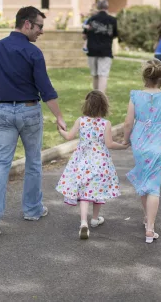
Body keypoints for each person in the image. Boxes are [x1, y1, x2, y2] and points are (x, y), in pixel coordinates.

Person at [0, 6, 67, 236]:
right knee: (33, 161)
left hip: (4, 111)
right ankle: (32, 209)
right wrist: (58, 116)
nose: (41, 32)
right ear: (26, 24)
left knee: (0, 163)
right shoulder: (33, 53)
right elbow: (45, 89)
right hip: (29, 111)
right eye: (39, 27)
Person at [55, 90, 128, 239]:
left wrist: (61, 130)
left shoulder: (81, 121)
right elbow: (109, 144)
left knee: (84, 194)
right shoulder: (105, 124)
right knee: (97, 190)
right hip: (100, 162)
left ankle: (83, 223)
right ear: (104, 106)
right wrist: (123, 146)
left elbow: (69, 136)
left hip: (82, 161)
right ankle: (94, 219)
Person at [123, 59, 161, 244]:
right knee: (153, 185)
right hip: (159, 145)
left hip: (140, 145)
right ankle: (150, 228)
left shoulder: (135, 96)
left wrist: (125, 139)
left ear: (144, 76)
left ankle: (147, 216)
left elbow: (127, 122)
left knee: (143, 179)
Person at [84, 0, 118, 94]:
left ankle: (95, 97)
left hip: (92, 50)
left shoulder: (91, 19)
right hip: (105, 51)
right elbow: (115, 35)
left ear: (97, 7)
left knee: (95, 75)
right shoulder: (112, 20)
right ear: (107, 7)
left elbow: (84, 35)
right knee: (103, 74)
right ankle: (101, 98)